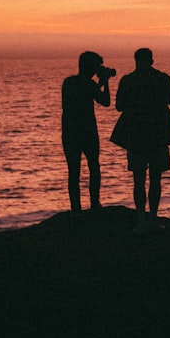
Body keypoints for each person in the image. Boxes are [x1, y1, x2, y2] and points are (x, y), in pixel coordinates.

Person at [110, 48, 170, 233]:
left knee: (138, 179)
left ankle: (141, 220)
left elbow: (119, 106)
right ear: (152, 60)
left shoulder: (128, 80)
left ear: (136, 60)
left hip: (136, 135)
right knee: (156, 179)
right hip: (158, 133)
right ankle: (153, 218)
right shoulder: (162, 78)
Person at [61, 51, 113, 217]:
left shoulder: (68, 82)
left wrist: (98, 83)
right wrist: (105, 82)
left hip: (69, 132)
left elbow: (85, 92)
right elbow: (105, 101)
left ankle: (76, 209)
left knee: (73, 171)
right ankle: (95, 203)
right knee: (94, 168)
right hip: (88, 131)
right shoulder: (89, 84)